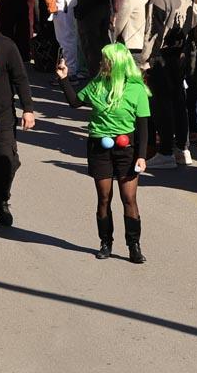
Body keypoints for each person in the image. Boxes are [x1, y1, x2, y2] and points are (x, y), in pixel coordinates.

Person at [56, 44, 150, 263]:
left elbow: (143, 127)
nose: (102, 63)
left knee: (129, 198)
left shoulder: (136, 89)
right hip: (99, 147)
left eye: (105, 60)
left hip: (127, 150)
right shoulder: (97, 84)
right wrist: (63, 79)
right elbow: (74, 102)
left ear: (116, 64)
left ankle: (133, 245)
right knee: (104, 198)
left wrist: (142, 156)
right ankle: (105, 243)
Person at [0, 31, 35, 229]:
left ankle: (0, 200)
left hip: (3, 118)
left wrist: (28, 109)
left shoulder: (6, 45)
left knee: (7, 162)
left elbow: (20, 78)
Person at [144, 0, 193, 169]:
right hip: (181, 51)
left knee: (161, 102)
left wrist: (146, 59)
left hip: (162, 55)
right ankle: (182, 147)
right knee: (178, 99)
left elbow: (153, 32)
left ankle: (165, 150)